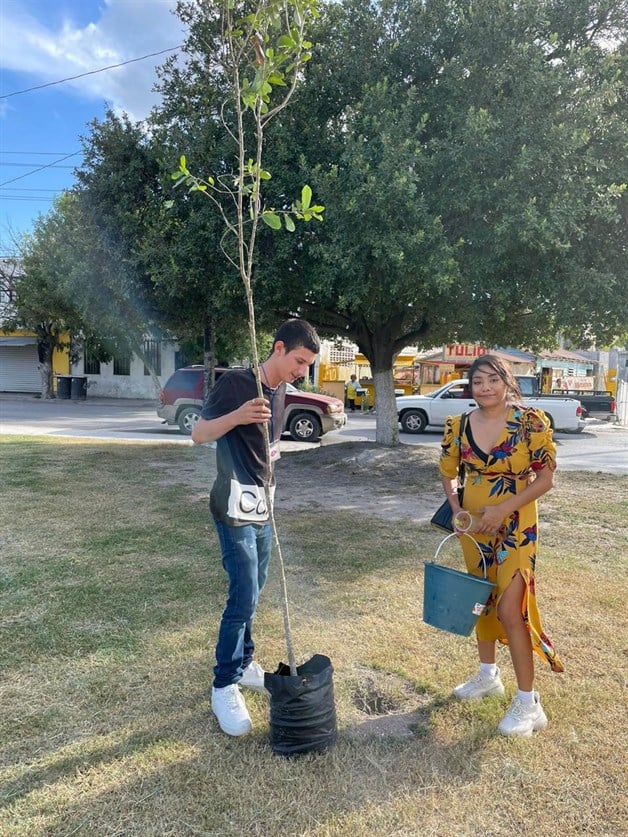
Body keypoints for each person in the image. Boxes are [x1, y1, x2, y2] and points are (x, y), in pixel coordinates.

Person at [191, 319, 320, 737]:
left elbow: (264, 444)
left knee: (257, 586)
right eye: (299, 360)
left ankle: (245, 661)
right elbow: (198, 433)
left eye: (308, 365)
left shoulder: (281, 389)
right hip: (231, 505)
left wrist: (273, 454)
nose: (302, 370)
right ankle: (224, 684)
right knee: (243, 593)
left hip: (262, 502)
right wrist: (238, 415)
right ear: (278, 348)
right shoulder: (237, 383)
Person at [438, 354, 563, 737]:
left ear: (507, 381)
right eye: (478, 381)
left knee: (512, 607)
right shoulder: (457, 425)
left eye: (493, 379)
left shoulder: (530, 422)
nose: (485, 387)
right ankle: (487, 675)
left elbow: (545, 479)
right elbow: (447, 472)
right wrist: (459, 512)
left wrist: (502, 509)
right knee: (482, 598)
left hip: (516, 522)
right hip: (474, 526)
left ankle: (529, 703)